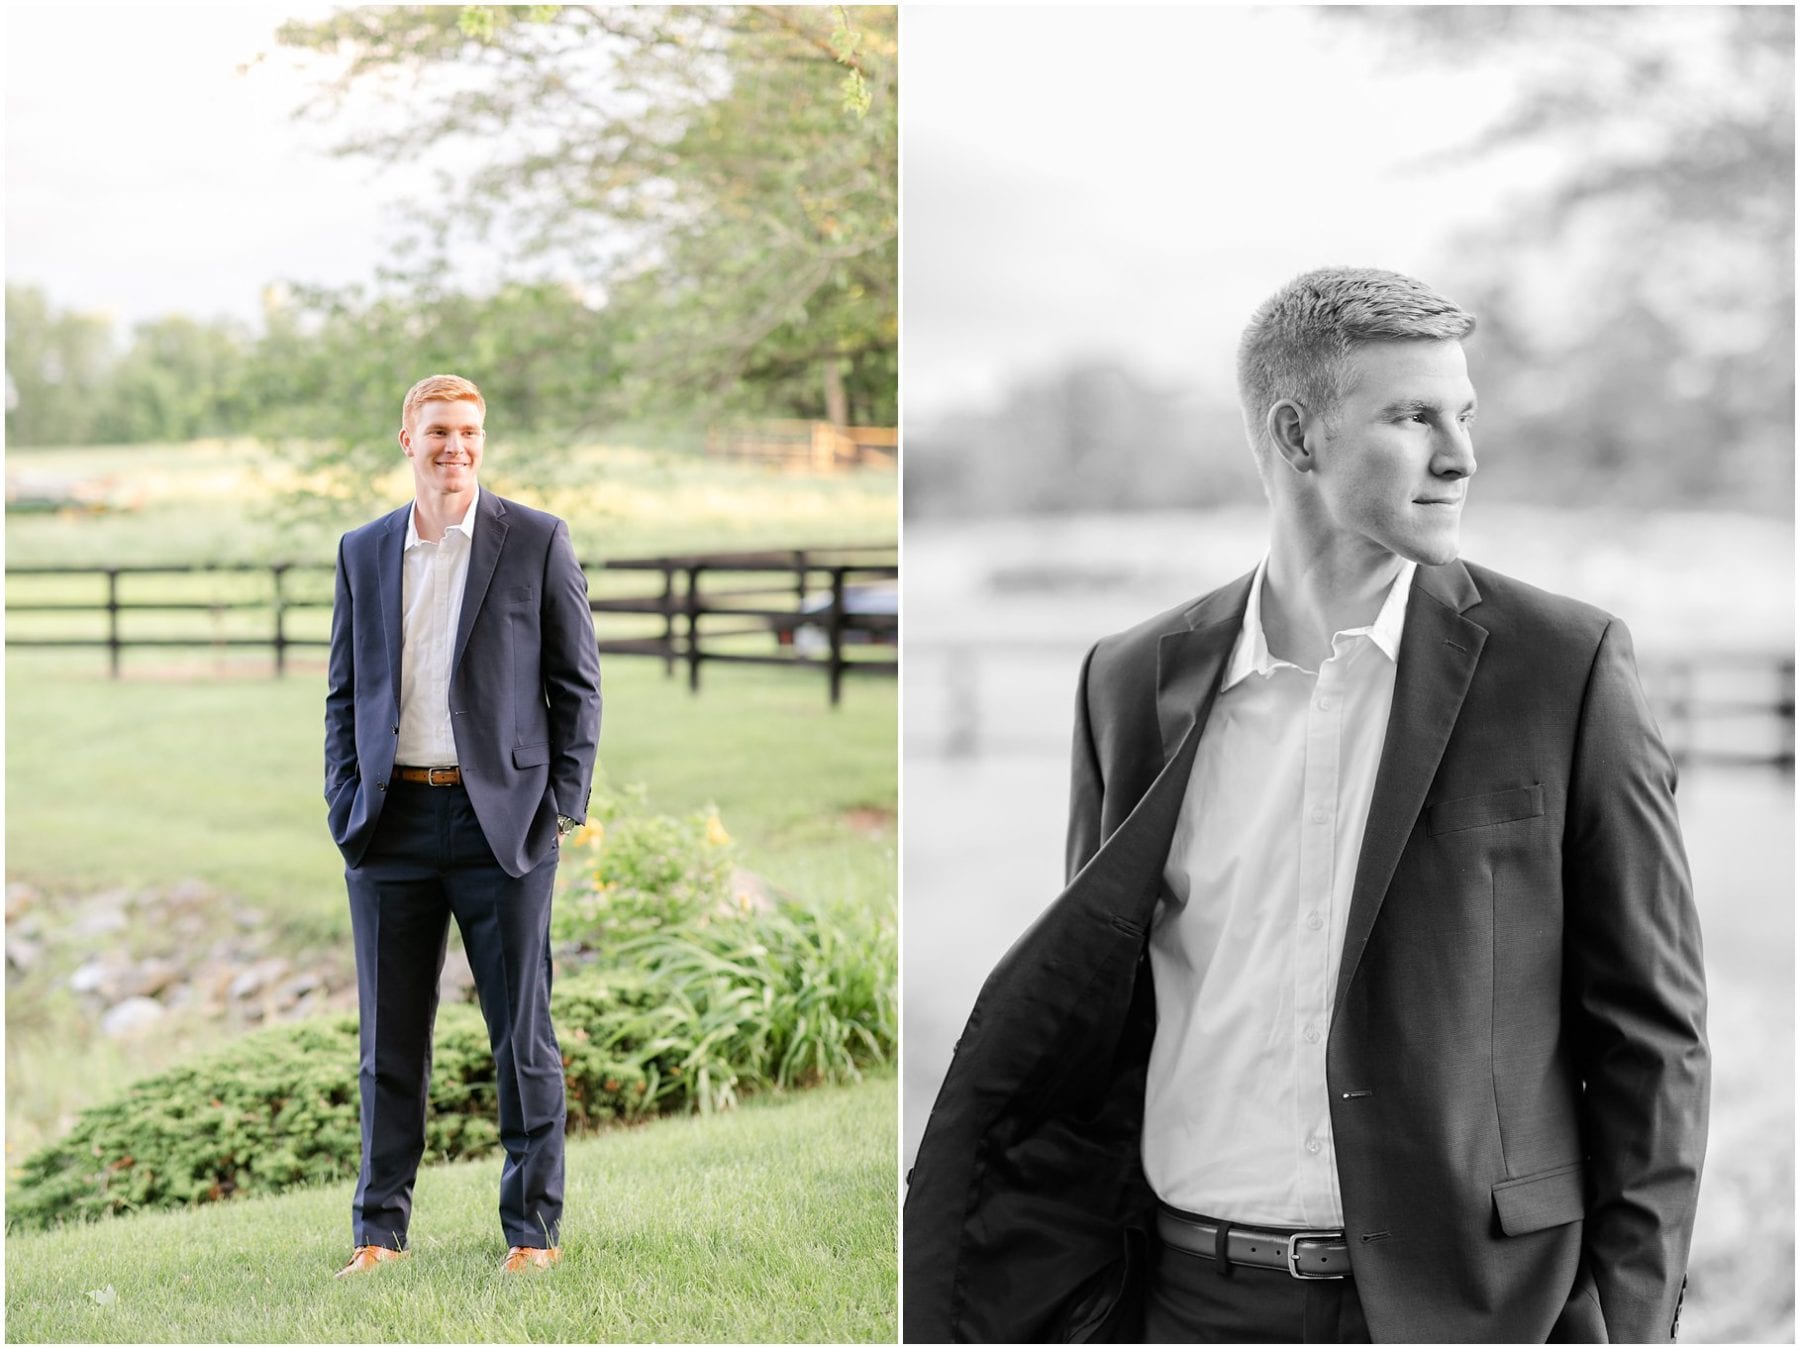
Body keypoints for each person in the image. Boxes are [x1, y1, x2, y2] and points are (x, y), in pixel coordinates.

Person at [903, 269, 1708, 1342]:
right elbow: (1104, 1015)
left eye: (1463, 414)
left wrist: (1637, 1321)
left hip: (1478, 1310)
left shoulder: (1563, 666)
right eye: (1413, 416)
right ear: (1297, 435)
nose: (1460, 455)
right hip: (1189, 1300)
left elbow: (1655, 1034)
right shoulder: (1129, 679)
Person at [324, 373, 602, 1277]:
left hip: (504, 827)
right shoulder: (363, 551)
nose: (457, 447)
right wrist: (345, 801)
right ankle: (378, 1234)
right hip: (389, 823)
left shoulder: (536, 541)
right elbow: (342, 691)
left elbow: (577, 686)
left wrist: (560, 807)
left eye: (470, 431)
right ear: (406, 438)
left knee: (521, 1037)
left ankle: (533, 1235)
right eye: (439, 431)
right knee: (387, 1044)